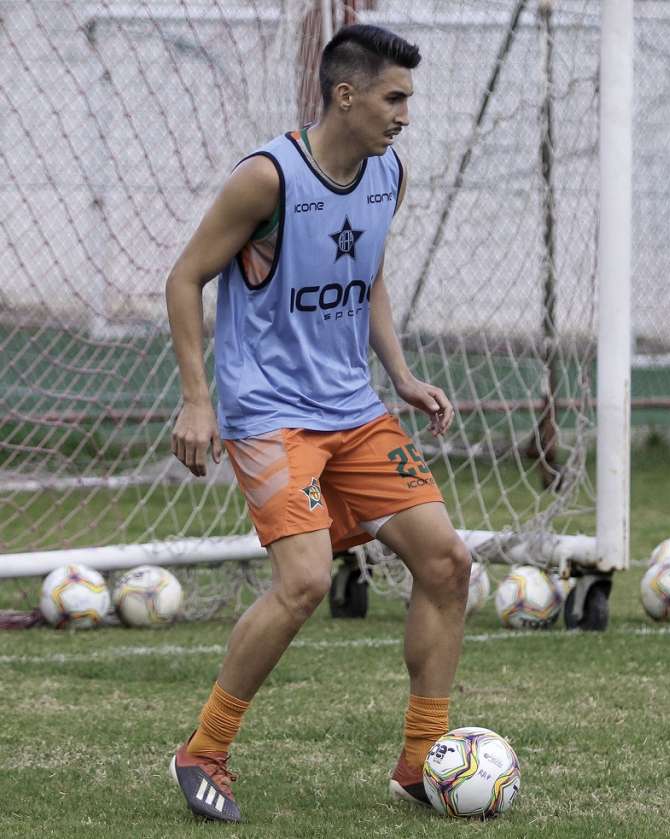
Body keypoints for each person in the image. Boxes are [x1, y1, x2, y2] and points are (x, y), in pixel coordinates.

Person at [164, 24, 470, 823]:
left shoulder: (386, 173)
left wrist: (399, 374)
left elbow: (364, 277)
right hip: (269, 413)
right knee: (302, 581)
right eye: (394, 97)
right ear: (346, 94)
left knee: (446, 562)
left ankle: (419, 764)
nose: (405, 115)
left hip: (355, 410)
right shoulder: (268, 178)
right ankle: (204, 750)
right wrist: (200, 399)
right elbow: (186, 277)